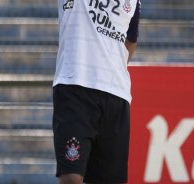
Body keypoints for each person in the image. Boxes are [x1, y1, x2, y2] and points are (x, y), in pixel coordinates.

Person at [53, 0, 141, 183]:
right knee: (71, 178)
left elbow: (131, 38)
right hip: (75, 87)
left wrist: (111, 66)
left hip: (116, 93)